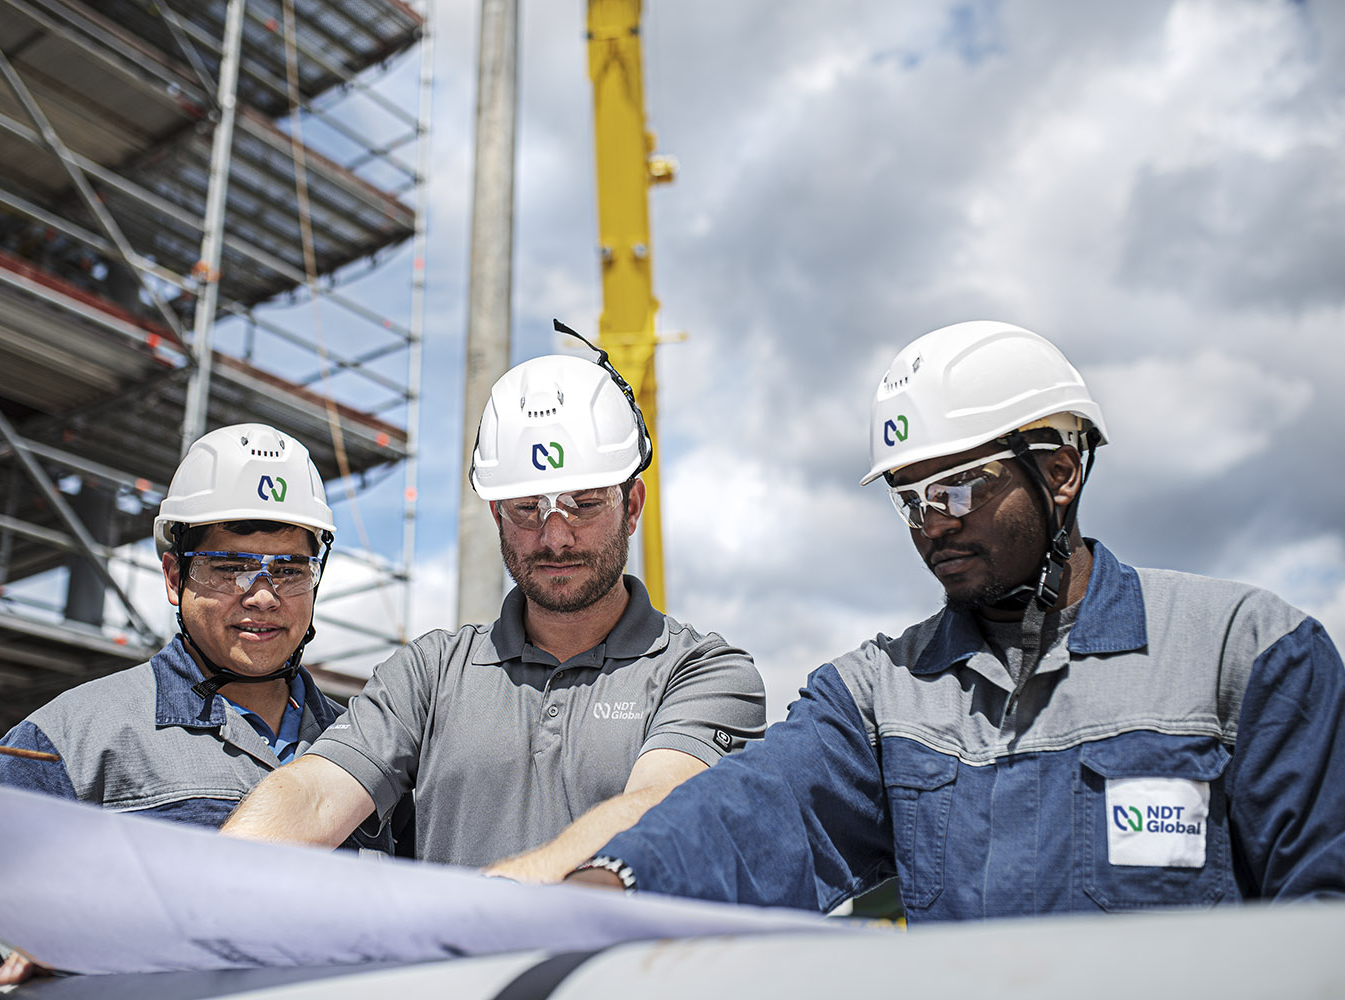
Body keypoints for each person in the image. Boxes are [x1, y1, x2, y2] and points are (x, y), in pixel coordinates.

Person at [570, 320, 1345, 919]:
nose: (931, 524)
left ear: (1061, 473)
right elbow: (753, 813)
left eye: (958, 488)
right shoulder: (881, 696)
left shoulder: (1245, 654)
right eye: (909, 498)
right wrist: (608, 886)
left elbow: (1323, 922)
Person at [0, 423, 400, 992]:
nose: (264, 595)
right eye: (229, 567)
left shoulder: (371, 744)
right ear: (174, 576)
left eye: (289, 570)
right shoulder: (67, 742)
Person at [222, 341, 767, 882]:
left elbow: (658, 810)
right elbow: (316, 796)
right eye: (527, 509)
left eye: (583, 504)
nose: (555, 537)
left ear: (632, 507)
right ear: (496, 515)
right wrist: (207, 879)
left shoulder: (703, 674)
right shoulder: (431, 673)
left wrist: (489, 905)